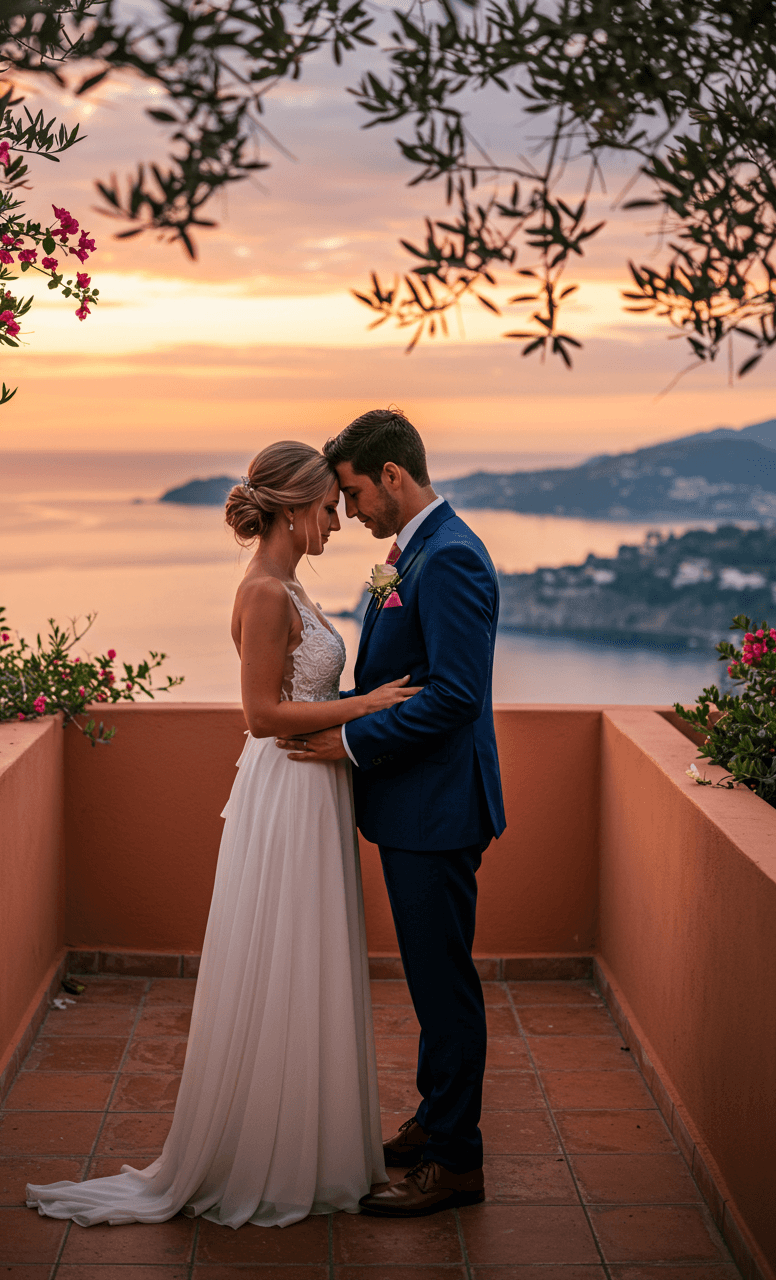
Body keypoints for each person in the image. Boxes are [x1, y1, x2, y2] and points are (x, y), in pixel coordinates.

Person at [26, 440, 419, 1229]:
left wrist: (349, 701)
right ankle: (269, 1155)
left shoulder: (290, 584)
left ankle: (312, 1147)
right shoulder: (266, 592)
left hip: (313, 784)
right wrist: (364, 706)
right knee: (284, 954)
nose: (340, 521)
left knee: (307, 955)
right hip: (288, 786)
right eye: (330, 508)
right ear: (298, 508)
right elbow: (261, 715)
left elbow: (295, 690)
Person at [276, 408, 505, 1218]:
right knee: (428, 979)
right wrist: (335, 712)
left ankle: (458, 1161)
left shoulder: (448, 561)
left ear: (395, 478)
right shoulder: (414, 556)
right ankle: (436, 1120)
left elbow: (454, 696)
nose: (353, 510)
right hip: (416, 806)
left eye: (357, 491)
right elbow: (397, 675)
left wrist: (352, 743)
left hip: (438, 809)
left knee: (443, 986)